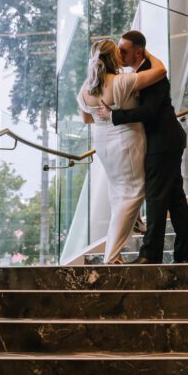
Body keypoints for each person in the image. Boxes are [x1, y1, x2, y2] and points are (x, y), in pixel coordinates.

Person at [96, 30, 188, 264]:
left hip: (163, 142)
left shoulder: (151, 73)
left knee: (155, 196)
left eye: (124, 51)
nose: (119, 54)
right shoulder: (142, 71)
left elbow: (149, 112)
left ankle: (150, 255)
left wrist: (113, 115)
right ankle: (184, 256)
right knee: (175, 199)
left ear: (137, 52)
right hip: (166, 141)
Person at [77, 39, 167, 263]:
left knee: (119, 192)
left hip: (103, 143)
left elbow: (87, 118)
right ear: (113, 58)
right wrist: (146, 52)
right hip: (125, 141)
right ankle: (111, 257)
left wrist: (102, 115)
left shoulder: (86, 88)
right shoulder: (121, 81)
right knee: (133, 192)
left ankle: (132, 225)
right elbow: (160, 71)